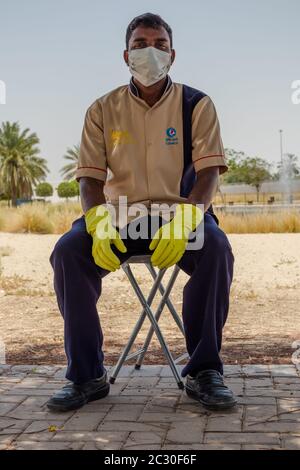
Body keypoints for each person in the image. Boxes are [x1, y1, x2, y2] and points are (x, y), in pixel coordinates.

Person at [47, 12, 236, 412]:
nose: (150, 52)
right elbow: (89, 179)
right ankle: (86, 375)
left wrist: (190, 216)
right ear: (125, 55)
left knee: (216, 249)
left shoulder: (196, 104)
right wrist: (97, 222)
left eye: (159, 44)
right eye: (140, 44)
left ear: (172, 54)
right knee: (68, 252)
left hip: (179, 217)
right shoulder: (102, 109)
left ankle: (205, 372)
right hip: (118, 216)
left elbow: (209, 174)